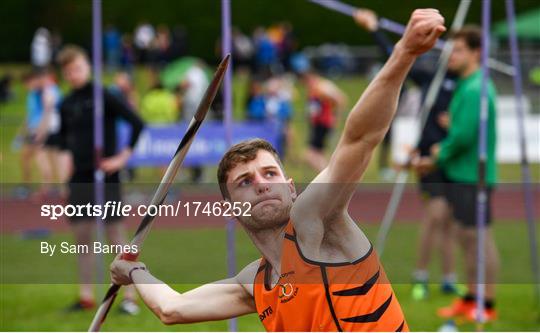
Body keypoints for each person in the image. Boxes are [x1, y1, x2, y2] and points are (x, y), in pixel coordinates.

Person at [109, 9, 446, 331]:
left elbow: (359, 139)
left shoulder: (315, 222)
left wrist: (404, 53)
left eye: (270, 173)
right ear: (230, 207)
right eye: (245, 181)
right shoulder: (254, 283)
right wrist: (134, 271)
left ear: (291, 186)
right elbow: (173, 309)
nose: (261, 184)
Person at [354, 8, 460, 300]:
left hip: (454, 159)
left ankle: (449, 278)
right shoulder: (430, 78)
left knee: (450, 220)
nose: (452, 56)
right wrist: (374, 27)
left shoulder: (464, 82)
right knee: (435, 216)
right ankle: (421, 276)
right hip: (429, 159)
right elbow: (395, 56)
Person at [414, 26, 499, 322]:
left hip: (472, 176)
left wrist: (436, 154)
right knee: (466, 238)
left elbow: (462, 136)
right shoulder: (468, 84)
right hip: (460, 174)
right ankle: (471, 298)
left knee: (479, 240)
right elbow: (459, 130)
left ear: (476, 53)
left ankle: (486, 304)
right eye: (450, 50)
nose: (451, 55)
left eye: (458, 50)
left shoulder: (477, 87)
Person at [56, 45, 145, 314]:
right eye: (69, 71)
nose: (74, 74)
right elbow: (64, 144)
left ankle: (130, 298)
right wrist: (65, 179)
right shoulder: (67, 104)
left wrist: (121, 158)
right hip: (79, 178)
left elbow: (137, 122)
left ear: (88, 67)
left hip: (105, 175)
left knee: (115, 235)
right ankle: (86, 297)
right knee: (82, 237)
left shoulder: (104, 96)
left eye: (78, 68)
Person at [302, 70, 347, 172]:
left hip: (322, 124)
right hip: (318, 124)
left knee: (310, 155)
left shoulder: (321, 88)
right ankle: (328, 174)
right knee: (318, 153)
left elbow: (340, 99)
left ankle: (327, 175)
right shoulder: (314, 89)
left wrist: (336, 117)